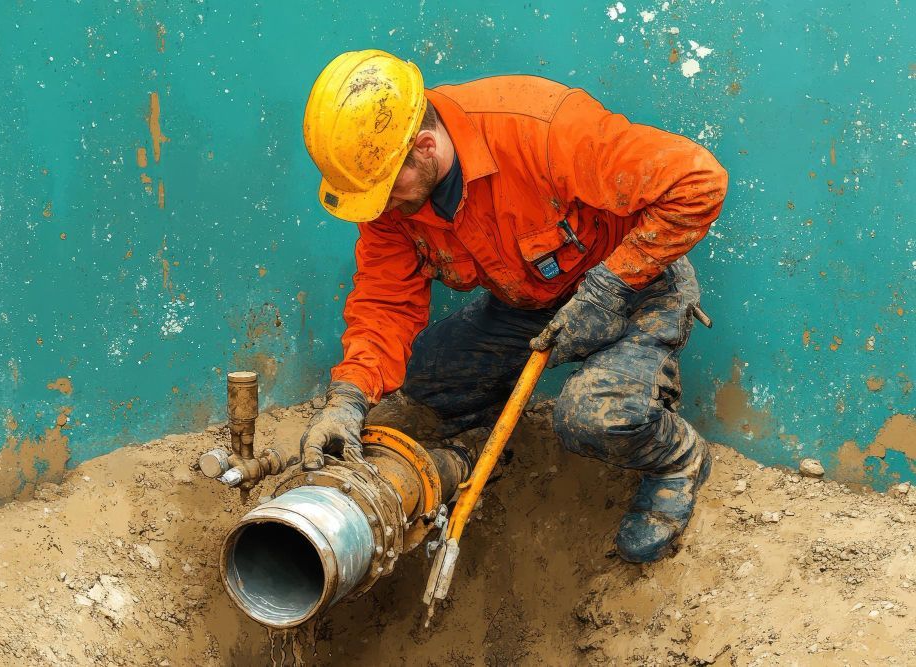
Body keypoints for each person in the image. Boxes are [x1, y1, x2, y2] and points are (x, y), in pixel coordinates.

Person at [298, 50, 728, 563]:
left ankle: (677, 459)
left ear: (425, 146)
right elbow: (384, 303)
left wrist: (609, 289)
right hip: (531, 302)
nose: (382, 208)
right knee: (428, 378)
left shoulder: (540, 129)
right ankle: (480, 451)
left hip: (635, 286)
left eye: (388, 193)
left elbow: (698, 181)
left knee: (594, 417)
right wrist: (347, 399)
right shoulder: (390, 194)